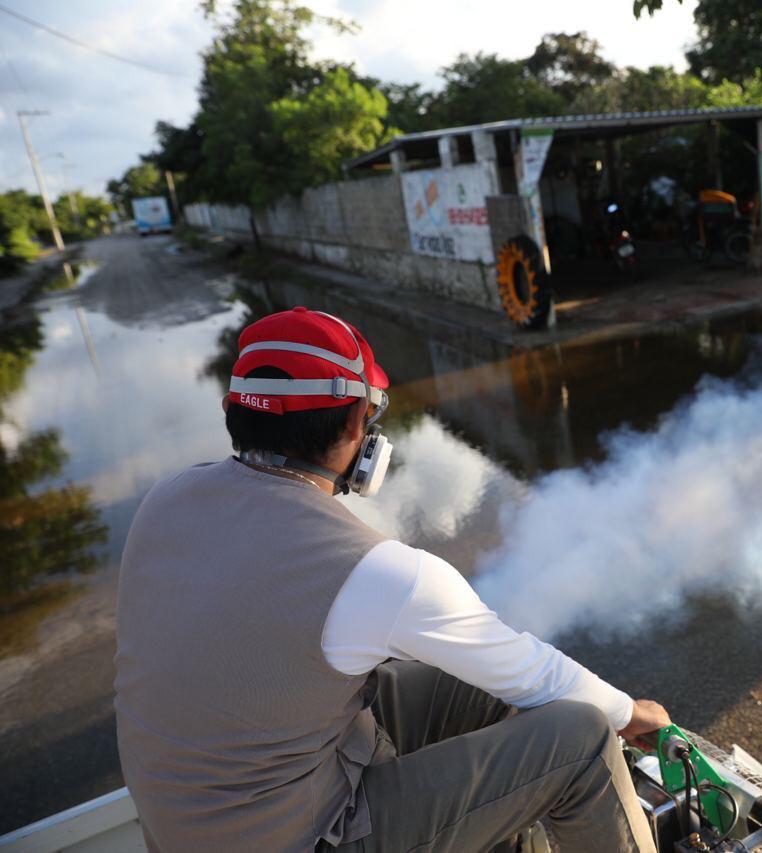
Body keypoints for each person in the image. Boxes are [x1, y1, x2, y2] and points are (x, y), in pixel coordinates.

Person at [113, 306, 668, 853]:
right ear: (357, 423)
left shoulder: (165, 499)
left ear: (234, 410)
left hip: (189, 828)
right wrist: (630, 713)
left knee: (471, 681)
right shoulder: (373, 569)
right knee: (584, 738)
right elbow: (535, 674)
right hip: (303, 836)